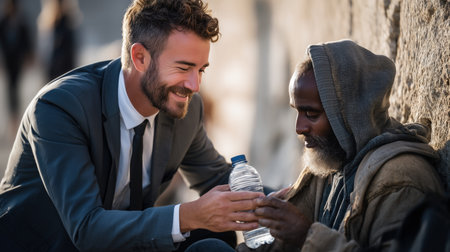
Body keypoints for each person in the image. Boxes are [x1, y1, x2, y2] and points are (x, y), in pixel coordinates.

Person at [0, 0, 262, 251]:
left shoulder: (185, 108)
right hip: (53, 244)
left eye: (201, 70)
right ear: (140, 57)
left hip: (126, 243)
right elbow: (86, 228)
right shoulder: (60, 108)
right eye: (183, 68)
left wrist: (288, 203)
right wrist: (188, 215)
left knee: (217, 237)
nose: (195, 85)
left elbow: (218, 178)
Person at [236, 40, 445, 251]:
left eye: (311, 114)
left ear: (349, 115)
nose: (299, 128)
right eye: (297, 112)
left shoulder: (400, 179)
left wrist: (306, 236)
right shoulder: (331, 167)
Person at [0, 0, 32, 135]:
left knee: (16, 90)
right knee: (10, 90)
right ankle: (12, 120)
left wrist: (29, 56)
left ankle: (16, 120)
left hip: (18, 62)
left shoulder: (21, 22)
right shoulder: (3, 22)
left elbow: (27, 41)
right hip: (8, 62)